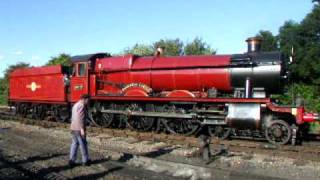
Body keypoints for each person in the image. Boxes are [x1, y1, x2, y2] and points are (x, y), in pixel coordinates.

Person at [69, 94, 91, 167]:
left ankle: (72, 160)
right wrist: (82, 129)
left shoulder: (75, 105)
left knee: (74, 144)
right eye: (88, 100)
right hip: (79, 129)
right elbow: (80, 118)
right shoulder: (81, 106)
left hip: (73, 127)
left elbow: (73, 117)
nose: (88, 102)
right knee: (83, 144)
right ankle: (85, 161)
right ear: (84, 99)